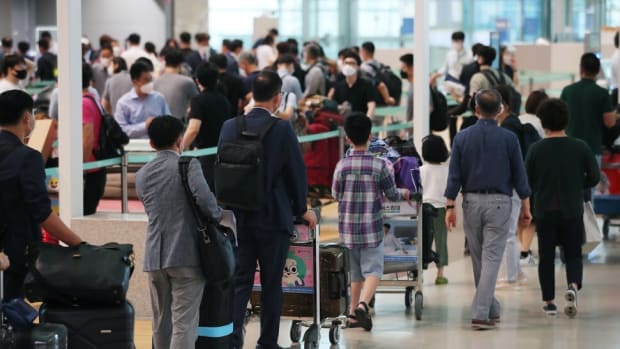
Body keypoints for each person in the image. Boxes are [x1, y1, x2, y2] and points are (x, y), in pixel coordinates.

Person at [220, 70, 317, 349]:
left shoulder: (229, 127)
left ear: (252, 94)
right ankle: (267, 343)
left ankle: (232, 340)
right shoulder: (282, 129)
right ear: (277, 98)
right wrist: (302, 209)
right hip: (274, 218)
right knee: (272, 284)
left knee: (240, 283)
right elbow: (296, 174)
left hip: (239, 218)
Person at [444, 89, 531, 330]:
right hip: (500, 203)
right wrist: (526, 204)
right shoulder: (509, 138)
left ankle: (491, 306)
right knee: (492, 257)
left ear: (476, 110)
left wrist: (449, 205)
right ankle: (481, 313)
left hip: (470, 202)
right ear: (501, 109)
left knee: (479, 257)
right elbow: (519, 175)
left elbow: (454, 176)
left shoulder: (461, 137)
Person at [136, 116, 222, 349]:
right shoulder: (188, 165)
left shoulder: (142, 174)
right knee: (184, 323)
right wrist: (217, 215)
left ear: (151, 144)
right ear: (180, 139)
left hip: (155, 257)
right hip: (186, 255)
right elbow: (206, 202)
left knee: (160, 323)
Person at [0, 90, 82, 299]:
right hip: (13, 252)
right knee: (11, 315)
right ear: (27, 118)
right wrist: (78, 244)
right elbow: (42, 213)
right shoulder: (27, 158)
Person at [332, 112, 410, 331]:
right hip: (371, 228)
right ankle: (364, 306)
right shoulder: (380, 166)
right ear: (371, 136)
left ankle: (352, 313)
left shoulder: (341, 166)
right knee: (374, 270)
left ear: (347, 137)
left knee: (355, 273)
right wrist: (404, 193)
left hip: (347, 229)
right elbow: (392, 194)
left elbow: (335, 194)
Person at [525, 98, 600, 317]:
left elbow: (527, 180)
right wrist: (579, 185)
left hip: (544, 210)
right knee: (574, 253)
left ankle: (549, 302)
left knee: (546, 257)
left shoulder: (536, 149)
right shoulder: (580, 146)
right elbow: (594, 177)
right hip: (572, 209)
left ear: (543, 121)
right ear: (567, 120)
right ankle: (573, 286)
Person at [494, 85, 528, 289]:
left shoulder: (508, 128)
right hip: (515, 185)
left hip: (511, 186)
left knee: (507, 233)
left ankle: (511, 276)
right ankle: (516, 272)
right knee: (509, 231)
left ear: (504, 104)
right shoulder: (512, 123)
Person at [182, 63, 232, 190]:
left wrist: (181, 146)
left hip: (204, 153)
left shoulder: (198, 100)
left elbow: (193, 129)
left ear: (197, 80)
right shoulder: (224, 99)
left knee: (203, 191)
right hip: (223, 152)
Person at [560, 53, 616, 159]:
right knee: (593, 176)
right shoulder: (602, 93)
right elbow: (610, 122)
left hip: (569, 148)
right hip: (593, 149)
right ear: (598, 70)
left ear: (581, 68)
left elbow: (559, 119)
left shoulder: (567, 91)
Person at [420, 134, 450, 285]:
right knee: (441, 241)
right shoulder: (447, 170)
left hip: (423, 209)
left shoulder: (420, 170)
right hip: (441, 209)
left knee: (423, 240)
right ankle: (440, 274)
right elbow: (450, 192)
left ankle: (420, 272)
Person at [115, 61, 170, 139]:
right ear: (135, 82)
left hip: (158, 145)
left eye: (151, 79)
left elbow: (169, 122)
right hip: (134, 147)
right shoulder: (123, 103)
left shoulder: (159, 98)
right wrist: (145, 126)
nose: (150, 83)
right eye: (146, 80)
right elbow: (121, 130)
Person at [81, 63, 106, 215]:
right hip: (94, 168)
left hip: (88, 171)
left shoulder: (82, 103)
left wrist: (79, 168)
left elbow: (87, 138)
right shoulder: (92, 99)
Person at [153, 49, 199, 122]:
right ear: (181, 64)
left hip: (157, 122)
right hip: (178, 123)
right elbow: (197, 101)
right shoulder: (187, 82)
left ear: (165, 63)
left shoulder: (156, 81)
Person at [328, 51, 377, 117]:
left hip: (361, 120)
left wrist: (368, 119)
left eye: (352, 63)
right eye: (346, 63)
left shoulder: (366, 84)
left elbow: (371, 105)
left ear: (358, 66)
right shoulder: (338, 86)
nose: (348, 66)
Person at [359, 41, 395, 106]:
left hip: (372, 98)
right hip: (382, 98)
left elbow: (380, 84)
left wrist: (387, 98)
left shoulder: (364, 67)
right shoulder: (379, 64)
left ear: (364, 51)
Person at [400, 53, 414, 122]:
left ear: (412, 67)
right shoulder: (410, 85)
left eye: (404, 68)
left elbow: (429, 107)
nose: (402, 71)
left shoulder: (418, 87)